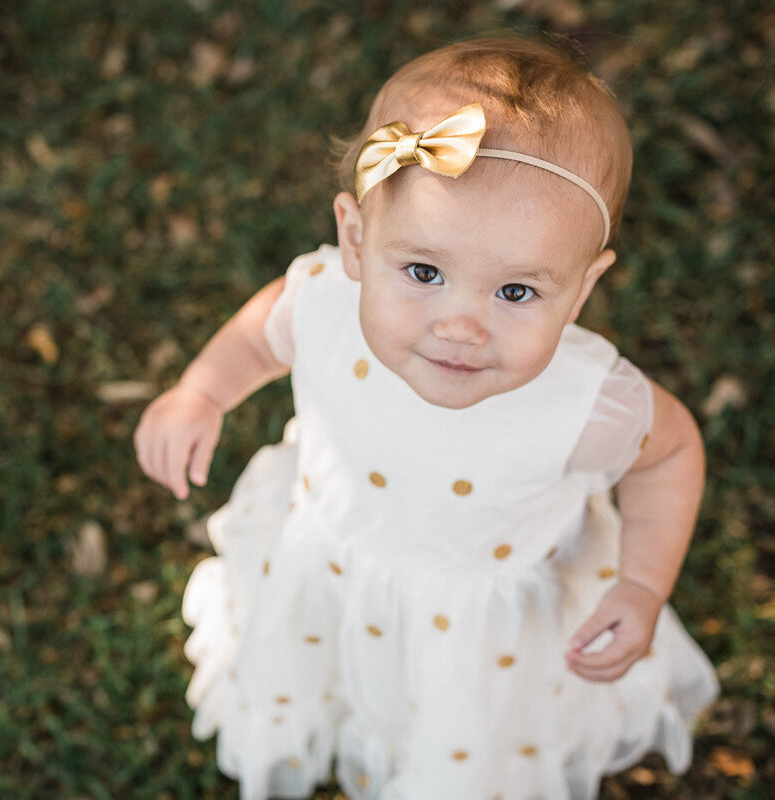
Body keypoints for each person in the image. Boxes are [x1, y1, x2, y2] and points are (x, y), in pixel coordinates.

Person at [133, 37, 719, 800]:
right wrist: (201, 393)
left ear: (580, 290)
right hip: (333, 562)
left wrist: (641, 586)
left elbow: (668, 456)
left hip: (485, 632)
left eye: (515, 292)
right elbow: (259, 333)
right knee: (326, 663)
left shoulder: (586, 400)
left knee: (463, 730)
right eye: (423, 273)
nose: (461, 326)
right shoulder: (322, 301)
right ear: (354, 238)